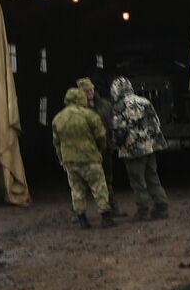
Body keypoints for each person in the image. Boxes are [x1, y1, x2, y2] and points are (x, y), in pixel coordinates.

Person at [51, 87, 115, 229]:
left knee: (77, 190)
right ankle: (105, 217)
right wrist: (100, 149)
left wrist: (62, 158)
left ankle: (82, 219)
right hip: (90, 158)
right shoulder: (90, 116)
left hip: (70, 161)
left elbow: (56, 142)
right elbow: (101, 136)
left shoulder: (58, 118)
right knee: (99, 186)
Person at [109, 76, 169, 220]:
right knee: (152, 177)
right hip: (150, 147)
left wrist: (116, 145)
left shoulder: (119, 106)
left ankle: (143, 210)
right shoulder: (145, 101)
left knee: (137, 181)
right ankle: (161, 207)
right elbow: (156, 123)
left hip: (133, 150)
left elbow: (119, 131)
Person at [75, 76, 119, 215]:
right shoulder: (76, 109)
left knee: (108, 178)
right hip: (87, 150)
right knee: (81, 183)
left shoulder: (105, 105)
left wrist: (111, 142)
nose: (90, 92)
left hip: (104, 147)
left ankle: (112, 206)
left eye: (91, 89)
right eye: (86, 90)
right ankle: (78, 212)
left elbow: (112, 123)